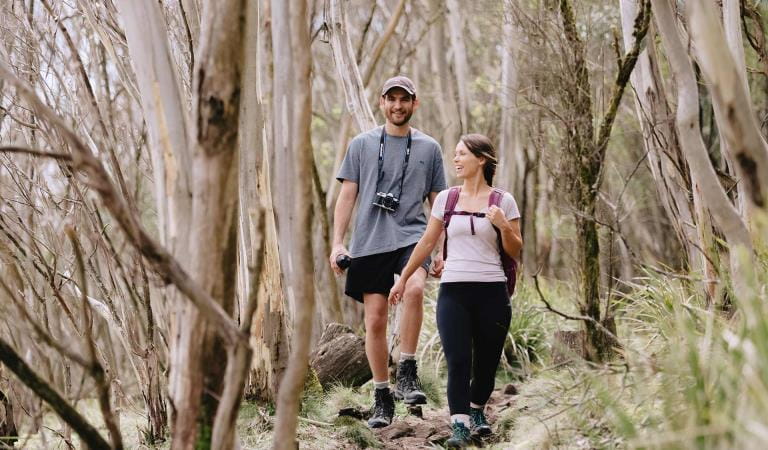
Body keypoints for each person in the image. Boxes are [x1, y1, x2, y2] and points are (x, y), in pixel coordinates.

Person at [388, 134, 522, 448]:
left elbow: (515, 249)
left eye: (462, 154)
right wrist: (403, 279)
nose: (456, 159)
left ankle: (477, 410)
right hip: (454, 292)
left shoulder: (503, 200)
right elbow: (426, 243)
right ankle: (459, 426)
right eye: (455, 154)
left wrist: (503, 225)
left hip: (492, 292)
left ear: (482, 159)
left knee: (486, 366)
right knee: (458, 360)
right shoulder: (447, 199)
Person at [329, 75, 447, 428]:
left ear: (415, 103)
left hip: (413, 234)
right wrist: (337, 242)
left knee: (413, 289)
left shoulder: (429, 148)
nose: (398, 106)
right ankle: (382, 396)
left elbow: (437, 202)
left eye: (404, 100)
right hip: (369, 240)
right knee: (375, 319)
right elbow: (347, 195)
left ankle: (407, 370)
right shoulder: (362, 144)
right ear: (382, 102)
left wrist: (443, 248)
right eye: (391, 99)